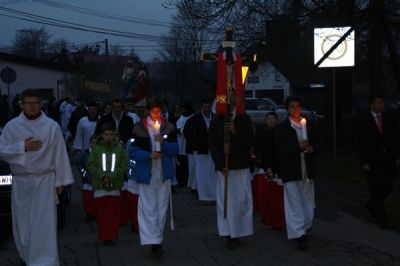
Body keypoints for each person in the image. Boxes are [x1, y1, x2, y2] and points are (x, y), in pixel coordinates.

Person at [0, 89, 74, 266]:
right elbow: (1, 150)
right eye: (28, 103)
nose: (32, 106)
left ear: (41, 104)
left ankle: (44, 262)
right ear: (22, 104)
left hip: (44, 181)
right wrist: (22, 146)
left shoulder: (51, 126)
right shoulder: (12, 126)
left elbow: (60, 155)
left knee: (43, 225)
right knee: (22, 224)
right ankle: (26, 256)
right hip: (21, 182)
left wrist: (60, 181)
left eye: (35, 103)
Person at [128, 97, 178, 258]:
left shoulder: (168, 127)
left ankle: (158, 240)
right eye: (154, 111)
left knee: (161, 207)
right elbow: (132, 151)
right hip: (147, 173)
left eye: (159, 111)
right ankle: (153, 240)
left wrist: (162, 144)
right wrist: (148, 155)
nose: (157, 114)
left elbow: (175, 149)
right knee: (148, 208)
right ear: (148, 111)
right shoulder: (139, 128)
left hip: (163, 173)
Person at [209, 94, 254, 250]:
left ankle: (240, 230)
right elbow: (214, 145)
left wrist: (235, 132)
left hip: (241, 165)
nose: (232, 101)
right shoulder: (217, 120)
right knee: (228, 203)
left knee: (242, 200)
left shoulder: (244, 119)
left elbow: (249, 141)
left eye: (235, 98)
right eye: (229, 98)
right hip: (225, 168)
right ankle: (229, 234)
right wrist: (221, 165)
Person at [274, 95, 316, 251]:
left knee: (308, 201)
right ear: (287, 109)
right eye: (292, 106)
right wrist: (297, 146)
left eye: (298, 106)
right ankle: (299, 234)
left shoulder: (308, 124)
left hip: (307, 170)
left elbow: (318, 143)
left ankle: (306, 225)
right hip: (291, 170)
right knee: (294, 203)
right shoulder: (282, 128)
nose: (296, 109)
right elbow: (279, 150)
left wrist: (312, 148)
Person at [357, 95, 400, 229]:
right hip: (372, 161)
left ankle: (372, 204)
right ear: (372, 105)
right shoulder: (364, 121)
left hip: (388, 159)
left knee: (388, 184)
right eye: (379, 103)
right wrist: (364, 161)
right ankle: (382, 219)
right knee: (375, 188)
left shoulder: (389, 118)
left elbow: (395, 137)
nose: (383, 105)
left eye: (383, 102)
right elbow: (360, 143)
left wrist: (397, 156)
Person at [87, 123, 128, 246]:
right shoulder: (96, 149)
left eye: (111, 134)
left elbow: (124, 165)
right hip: (100, 186)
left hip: (114, 186)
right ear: (101, 135)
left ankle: (111, 236)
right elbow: (91, 165)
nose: (109, 137)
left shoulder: (119, 149)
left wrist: (112, 177)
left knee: (113, 214)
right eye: (106, 134)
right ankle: (105, 235)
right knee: (103, 214)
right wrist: (102, 176)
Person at [184, 99, 217, 203]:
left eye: (208, 107)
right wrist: (196, 144)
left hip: (214, 150)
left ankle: (214, 195)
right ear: (201, 108)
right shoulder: (194, 119)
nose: (206, 109)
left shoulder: (215, 118)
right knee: (202, 173)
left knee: (213, 173)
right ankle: (204, 195)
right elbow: (188, 133)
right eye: (204, 107)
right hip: (201, 150)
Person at [254, 112, 279, 176]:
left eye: (273, 119)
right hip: (264, 165)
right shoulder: (260, 133)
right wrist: (266, 166)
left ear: (276, 120)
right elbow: (258, 150)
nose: (271, 121)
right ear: (265, 121)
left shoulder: (280, 133)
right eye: (269, 119)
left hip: (277, 165)